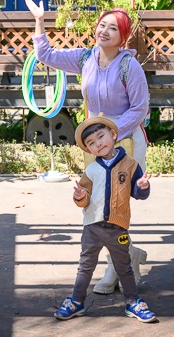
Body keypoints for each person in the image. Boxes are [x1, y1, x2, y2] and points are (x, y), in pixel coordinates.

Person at [25, 0, 149, 294]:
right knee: (95, 205)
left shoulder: (129, 66)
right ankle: (128, 255)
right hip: (95, 142)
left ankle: (115, 267)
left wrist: (112, 133)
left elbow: (140, 108)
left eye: (113, 28)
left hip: (125, 140)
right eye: (102, 25)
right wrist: (40, 20)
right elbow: (46, 55)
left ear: (123, 36)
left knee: (116, 205)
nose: (104, 31)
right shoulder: (85, 58)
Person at [54, 116, 157, 323]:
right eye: (91, 143)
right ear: (88, 149)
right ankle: (76, 301)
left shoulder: (130, 165)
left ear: (113, 134)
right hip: (92, 227)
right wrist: (80, 196)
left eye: (101, 137)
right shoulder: (91, 170)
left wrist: (142, 187)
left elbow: (138, 193)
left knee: (124, 267)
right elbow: (84, 198)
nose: (98, 143)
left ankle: (132, 302)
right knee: (85, 266)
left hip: (118, 228)